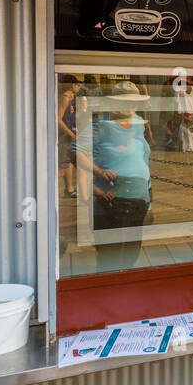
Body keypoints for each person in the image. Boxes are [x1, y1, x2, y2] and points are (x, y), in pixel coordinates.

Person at [72, 80, 152, 272]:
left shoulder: (138, 123)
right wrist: (99, 172)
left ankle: (126, 295)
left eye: (134, 101)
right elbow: (74, 152)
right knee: (110, 258)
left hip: (139, 198)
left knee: (131, 255)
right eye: (126, 101)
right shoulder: (101, 125)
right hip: (112, 200)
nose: (131, 105)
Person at [57, 75, 81, 198]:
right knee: (65, 165)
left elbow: (70, 117)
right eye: (78, 84)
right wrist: (71, 133)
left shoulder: (71, 98)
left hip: (70, 135)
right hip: (66, 136)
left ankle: (69, 189)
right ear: (72, 84)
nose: (79, 86)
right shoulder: (65, 98)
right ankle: (45, 182)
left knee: (69, 162)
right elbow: (58, 119)